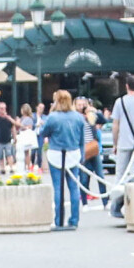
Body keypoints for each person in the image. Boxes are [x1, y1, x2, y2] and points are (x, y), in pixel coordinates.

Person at [38, 90, 88, 228]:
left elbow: (43, 133)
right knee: (73, 188)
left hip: (56, 154)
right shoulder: (78, 117)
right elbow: (82, 140)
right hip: (73, 153)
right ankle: (74, 219)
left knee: (58, 188)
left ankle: (59, 220)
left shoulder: (53, 117)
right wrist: (82, 155)